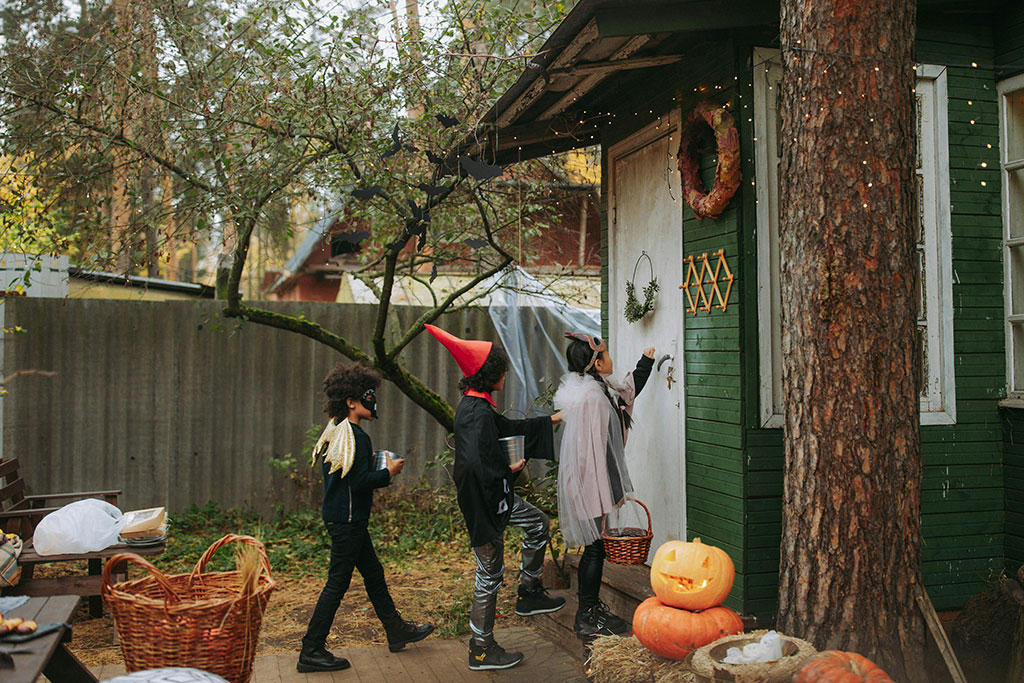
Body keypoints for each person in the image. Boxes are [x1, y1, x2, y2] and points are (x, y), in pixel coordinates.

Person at [424, 323, 565, 671]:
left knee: (537, 524)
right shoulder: (475, 414)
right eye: (501, 369)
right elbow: (473, 465)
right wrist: (509, 470)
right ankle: (481, 648)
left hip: (496, 496)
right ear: (490, 374)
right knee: (489, 572)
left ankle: (529, 592)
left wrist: (551, 420)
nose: (505, 373)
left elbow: (508, 429)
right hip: (484, 503)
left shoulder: (480, 408)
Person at [298, 361, 434, 674]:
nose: (374, 401)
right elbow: (358, 482)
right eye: (369, 394)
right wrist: (388, 472)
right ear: (351, 401)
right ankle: (311, 649)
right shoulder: (356, 437)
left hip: (345, 520)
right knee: (337, 584)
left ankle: (395, 629)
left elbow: (349, 479)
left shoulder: (336, 430)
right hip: (347, 523)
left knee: (373, 574)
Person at [554, 333, 654, 642]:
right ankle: (587, 617)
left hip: (585, 479)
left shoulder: (592, 388)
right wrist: (614, 489)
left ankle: (590, 611)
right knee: (595, 549)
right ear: (597, 363)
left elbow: (625, 395)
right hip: (589, 480)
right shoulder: (594, 398)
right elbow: (601, 450)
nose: (611, 359)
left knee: (593, 547)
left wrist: (646, 363)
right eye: (606, 355)